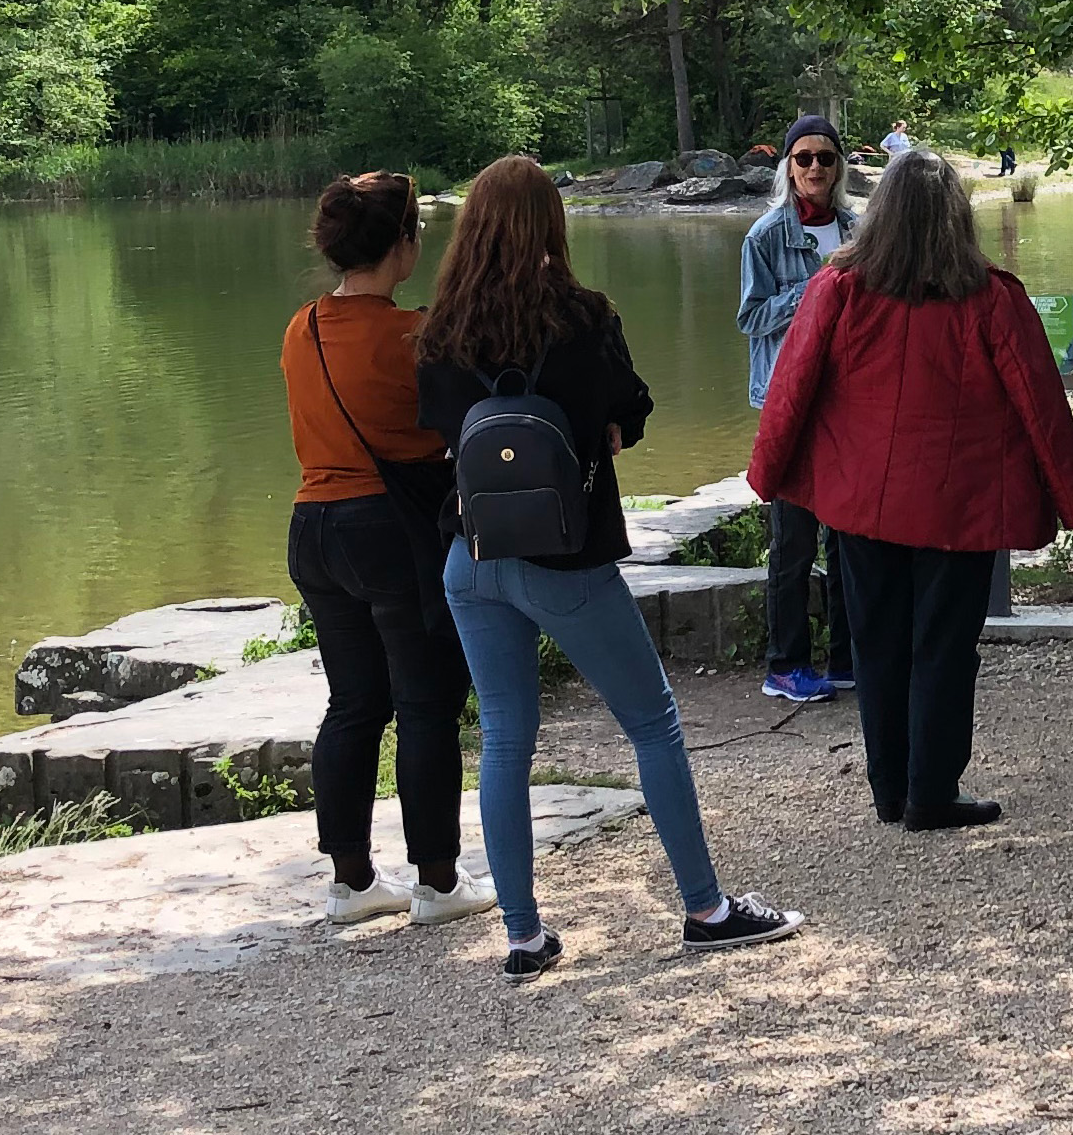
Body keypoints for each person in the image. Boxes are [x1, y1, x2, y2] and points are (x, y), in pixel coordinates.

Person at [418, 156, 803, 977]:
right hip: (567, 560)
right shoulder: (583, 318)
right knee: (652, 724)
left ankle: (523, 935)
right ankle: (705, 908)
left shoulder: (440, 330)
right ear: (551, 225)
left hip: (472, 557)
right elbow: (631, 409)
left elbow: (434, 432)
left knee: (504, 741)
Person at [750, 150, 1073, 830]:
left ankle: (890, 792)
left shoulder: (836, 289)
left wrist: (768, 475)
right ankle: (930, 793)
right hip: (958, 508)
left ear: (879, 215)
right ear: (956, 216)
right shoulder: (992, 297)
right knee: (943, 646)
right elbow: (1041, 404)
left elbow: (789, 391)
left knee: (875, 643)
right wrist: (1071, 503)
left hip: (861, 503)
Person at [281, 172, 490, 929]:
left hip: (313, 529)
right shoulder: (415, 336)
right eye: (416, 233)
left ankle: (351, 883)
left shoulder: (301, 327)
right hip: (388, 531)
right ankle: (436, 881)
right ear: (401, 245)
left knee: (353, 704)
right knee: (426, 704)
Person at [738, 114, 858, 704]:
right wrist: (814, 287)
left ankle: (846, 658)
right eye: (803, 158)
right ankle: (784, 663)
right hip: (787, 404)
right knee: (792, 540)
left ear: (840, 167)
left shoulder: (862, 228)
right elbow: (751, 318)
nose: (815, 168)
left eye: (826, 158)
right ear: (788, 166)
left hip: (847, 406)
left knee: (849, 536)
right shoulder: (764, 236)